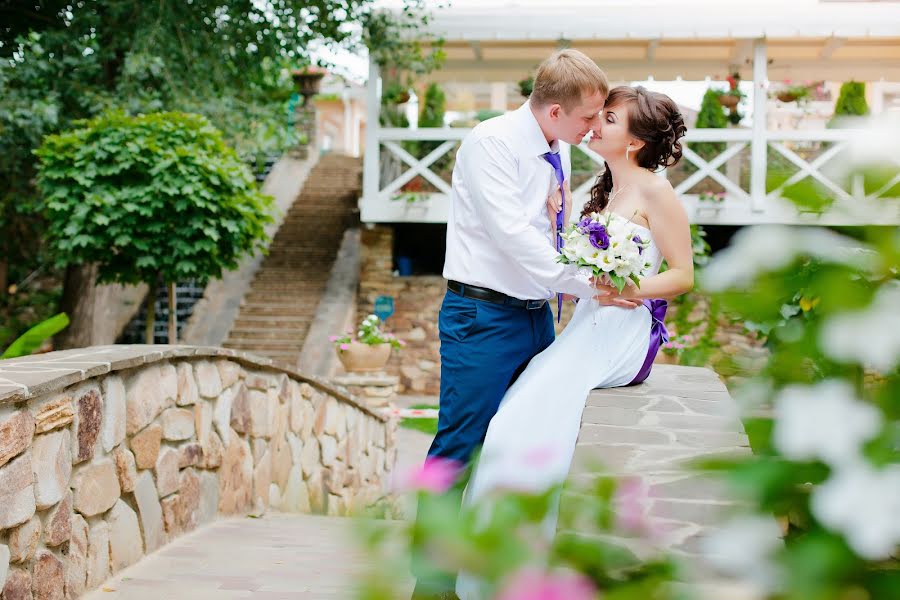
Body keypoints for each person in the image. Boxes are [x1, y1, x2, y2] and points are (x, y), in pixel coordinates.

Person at [455, 85, 693, 600]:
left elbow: (682, 275)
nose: (595, 126)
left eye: (608, 119)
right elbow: (578, 260)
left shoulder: (656, 191)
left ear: (633, 142)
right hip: (589, 318)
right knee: (510, 421)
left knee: (527, 417)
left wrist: (630, 288)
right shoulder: (603, 184)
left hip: (621, 327)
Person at [411, 49, 624, 600]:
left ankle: (490, 570)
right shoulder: (493, 144)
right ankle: (430, 585)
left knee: (518, 445)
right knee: (460, 445)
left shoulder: (556, 147)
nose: (592, 128)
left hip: (535, 318)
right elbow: (514, 236)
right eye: (586, 118)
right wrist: (591, 284)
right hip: (482, 317)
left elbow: (550, 227)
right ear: (554, 111)